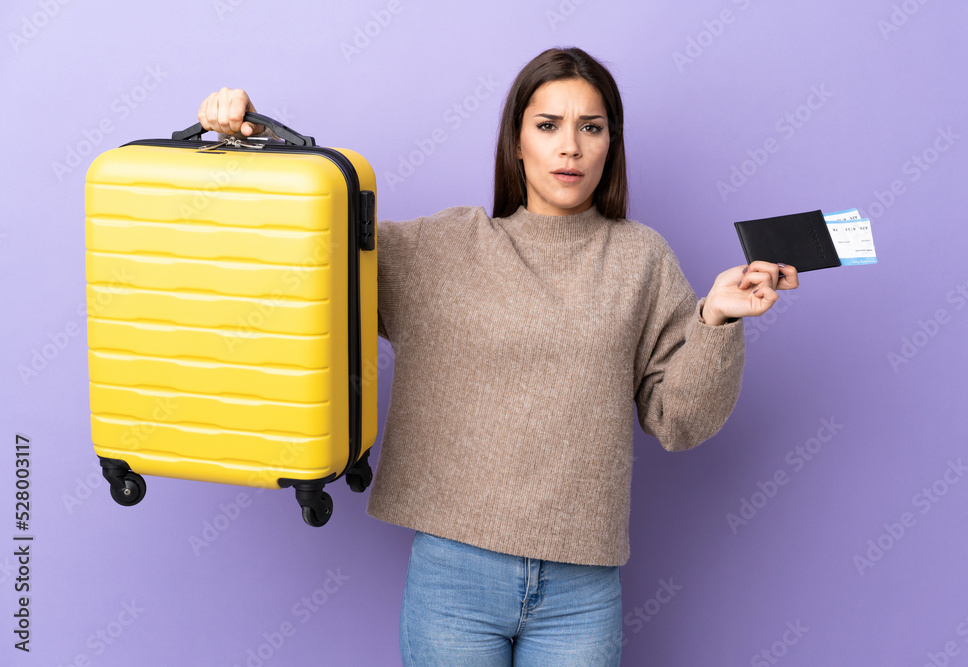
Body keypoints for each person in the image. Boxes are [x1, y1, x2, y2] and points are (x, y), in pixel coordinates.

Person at [198, 46, 799, 666]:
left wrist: (716, 319)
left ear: (610, 146)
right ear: (517, 142)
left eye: (590, 128)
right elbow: (306, 242)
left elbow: (682, 422)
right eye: (548, 126)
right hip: (455, 578)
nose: (570, 147)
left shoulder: (641, 259)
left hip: (582, 589)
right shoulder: (444, 247)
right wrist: (248, 143)